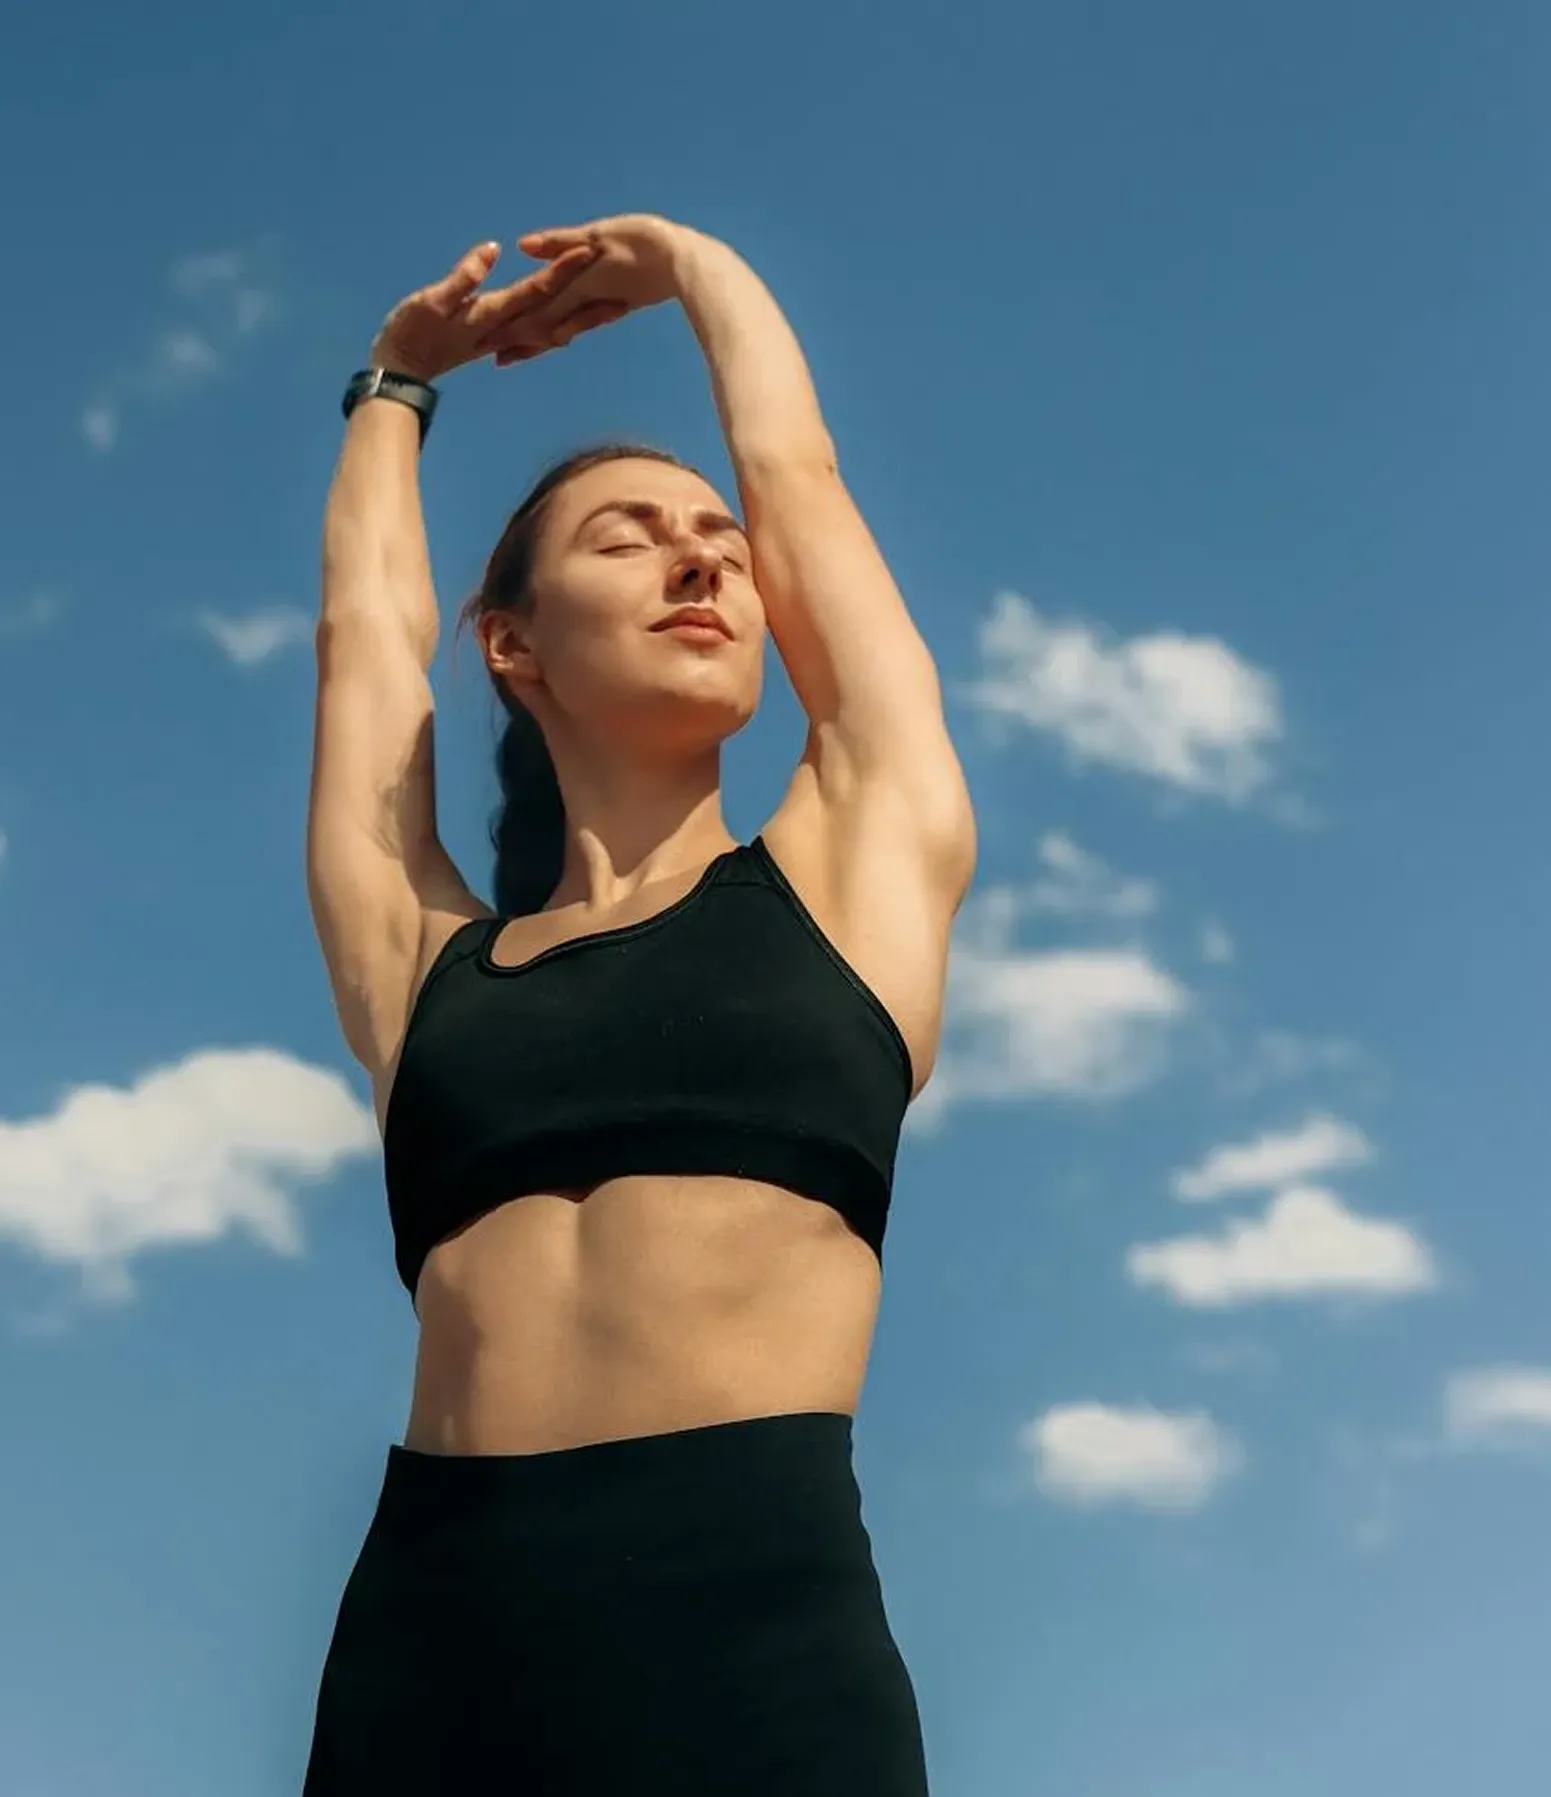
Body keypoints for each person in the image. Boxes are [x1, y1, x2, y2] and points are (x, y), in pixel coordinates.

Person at [301, 212, 977, 1795]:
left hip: (755, 1639)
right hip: (430, 1644)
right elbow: (360, 658)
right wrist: (393, 387)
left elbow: (794, 487)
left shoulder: (854, 866)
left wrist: (701, 276)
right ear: (510, 644)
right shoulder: (425, 970)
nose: (701, 556)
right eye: (626, 536)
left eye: (716, 542)